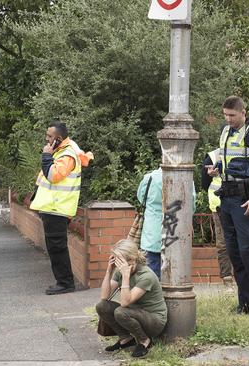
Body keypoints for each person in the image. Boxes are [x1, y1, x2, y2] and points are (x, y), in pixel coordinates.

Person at [206, 96, 249, 319]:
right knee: (235, 253)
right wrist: (216, 169)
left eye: (232, 115)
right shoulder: (226, 131)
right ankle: (245, 302)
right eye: (225, 115)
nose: (228, 119)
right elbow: (228, 160)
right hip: (226, 198)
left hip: (244, 200)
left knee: (248, 251)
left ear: (243, 112)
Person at [29, 121, 93, 295]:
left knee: (57, 248)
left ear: (58, 139)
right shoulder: (60, 152)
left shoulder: (66, 156)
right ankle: (62, 281)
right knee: (55, 247)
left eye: (49, 136)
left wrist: (46, 156)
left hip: (57, 208)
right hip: (53, 208)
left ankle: (65, 283)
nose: (46, 139)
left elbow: (53, 176)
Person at [96, 239, 167, 358]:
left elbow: (124, 303)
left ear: (131, 259)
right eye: (116, 259)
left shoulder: (146, 276)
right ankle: (126, 339)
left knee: (121, 312)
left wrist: (125, 276)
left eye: (120, 260)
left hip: (154, 320)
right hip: (134, 314)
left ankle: (144, 341)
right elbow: (104, 296)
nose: (118, 264)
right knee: (102, 306)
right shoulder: (120, 271)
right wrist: (109, 270)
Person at [137, 168, 195, 280]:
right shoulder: (187, 179)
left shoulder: (149, 178)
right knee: (174, 275)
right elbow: (191, 206)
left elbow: (141, 199)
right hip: (175, 233)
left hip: (151, 235)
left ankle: (154, 297)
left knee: (150, 277)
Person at [201, 148, 235, 288]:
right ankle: (227, 280)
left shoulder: (243, 152)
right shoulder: (213, 157)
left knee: (235, 243)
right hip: (220, 206)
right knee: (223, 244)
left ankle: (237, 279)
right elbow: (204, 183)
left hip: (239, 203)